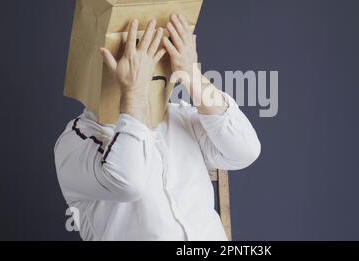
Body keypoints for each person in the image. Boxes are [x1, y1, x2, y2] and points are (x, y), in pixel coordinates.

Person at [54, 14, 261, 240]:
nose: (148, 68)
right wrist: (133, 93)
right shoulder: (75, 141)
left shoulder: (182, 117)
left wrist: (191, 74)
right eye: (136, 61)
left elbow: (244, 151)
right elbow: (128, 182)